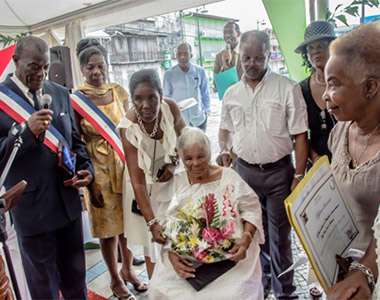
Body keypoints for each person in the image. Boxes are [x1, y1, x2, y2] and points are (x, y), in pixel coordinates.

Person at [217, 30, 309, 299]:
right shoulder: (231, 93)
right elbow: (225, 129)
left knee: (280, 238)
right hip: (244, 173)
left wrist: (299, 175)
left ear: (269, 55)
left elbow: (300, 135)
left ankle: (286, 293)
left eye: (258, 57)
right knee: (253, 235)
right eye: (246, 58)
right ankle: (262, 285)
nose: (252, 64)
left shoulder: (286, 87)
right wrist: (223, 149)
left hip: (279, 174)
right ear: (240, 57)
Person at [0, 36, 94, 299]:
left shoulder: (60, 93)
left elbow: (76, 142)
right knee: (45, 290)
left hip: (67, 208)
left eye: (45, 67)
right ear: (16, 61)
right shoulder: (1, 101)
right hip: (32, 213)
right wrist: (26, 133)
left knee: (77, 284)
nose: (41, 74)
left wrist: (87, 170)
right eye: (34, 66)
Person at [149, 127, 265, 299]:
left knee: (235, 293)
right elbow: (165, 224)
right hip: (188, 259)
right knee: (158, 289)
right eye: (188, 158)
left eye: (200, 156)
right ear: (181, 158)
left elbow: (251, 209)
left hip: (230, 258)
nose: (195, 163)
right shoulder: (177, 182)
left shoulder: (229, 177)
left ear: (209, 153)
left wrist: (246, 237)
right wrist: (172, 253)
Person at [75, 44, 147, 300]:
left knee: (127, 224)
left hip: (123, 166)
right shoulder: (77, 98)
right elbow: (77, 141)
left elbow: (133, 126)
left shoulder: (118, 91)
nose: (96, 72)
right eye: (90, 67)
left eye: (100, 65)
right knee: (107, 231)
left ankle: (128, 270)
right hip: (97, 172)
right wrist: (90, 183)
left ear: (107, 65)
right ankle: (115, 279)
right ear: (82, 69)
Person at [321, 23, 380, 300]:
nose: (325, 96)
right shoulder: (340, 131)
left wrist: (364, 272)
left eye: (334, 84)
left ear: (369, 87)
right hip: (339, 266)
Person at [118, 69, 186, 278]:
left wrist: (173, 164)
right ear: (131, 99)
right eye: (138, 99)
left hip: (169, 179)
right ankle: (157, 291)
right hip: (141, 189)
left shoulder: (171, 108)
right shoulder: (128, 127)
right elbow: (138, 181)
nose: (145, 105)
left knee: (180, 234)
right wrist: (151, 222)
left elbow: (185, 143)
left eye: (152, 98)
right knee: (152, 245)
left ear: (161, 96)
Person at [295, 21, 337, 164]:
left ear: (333, 47)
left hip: (349, 162)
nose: (315, 52)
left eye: (321, 46)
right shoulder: (301, 89)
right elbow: (299, 134)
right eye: (310, 48)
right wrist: (315, 159)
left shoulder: (347, 84)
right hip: (316, 165)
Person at [163, 43, 210, 131]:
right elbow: (166, 97)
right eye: (179, 54)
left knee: (200, 144)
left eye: (185, 54)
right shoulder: (169, 74)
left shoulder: (200, 71)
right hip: (179, 121)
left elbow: (205, 93)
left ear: (191, 55)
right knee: (181, 144)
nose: (182, 57)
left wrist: (206, 111)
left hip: (199, 120)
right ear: (176, 56)